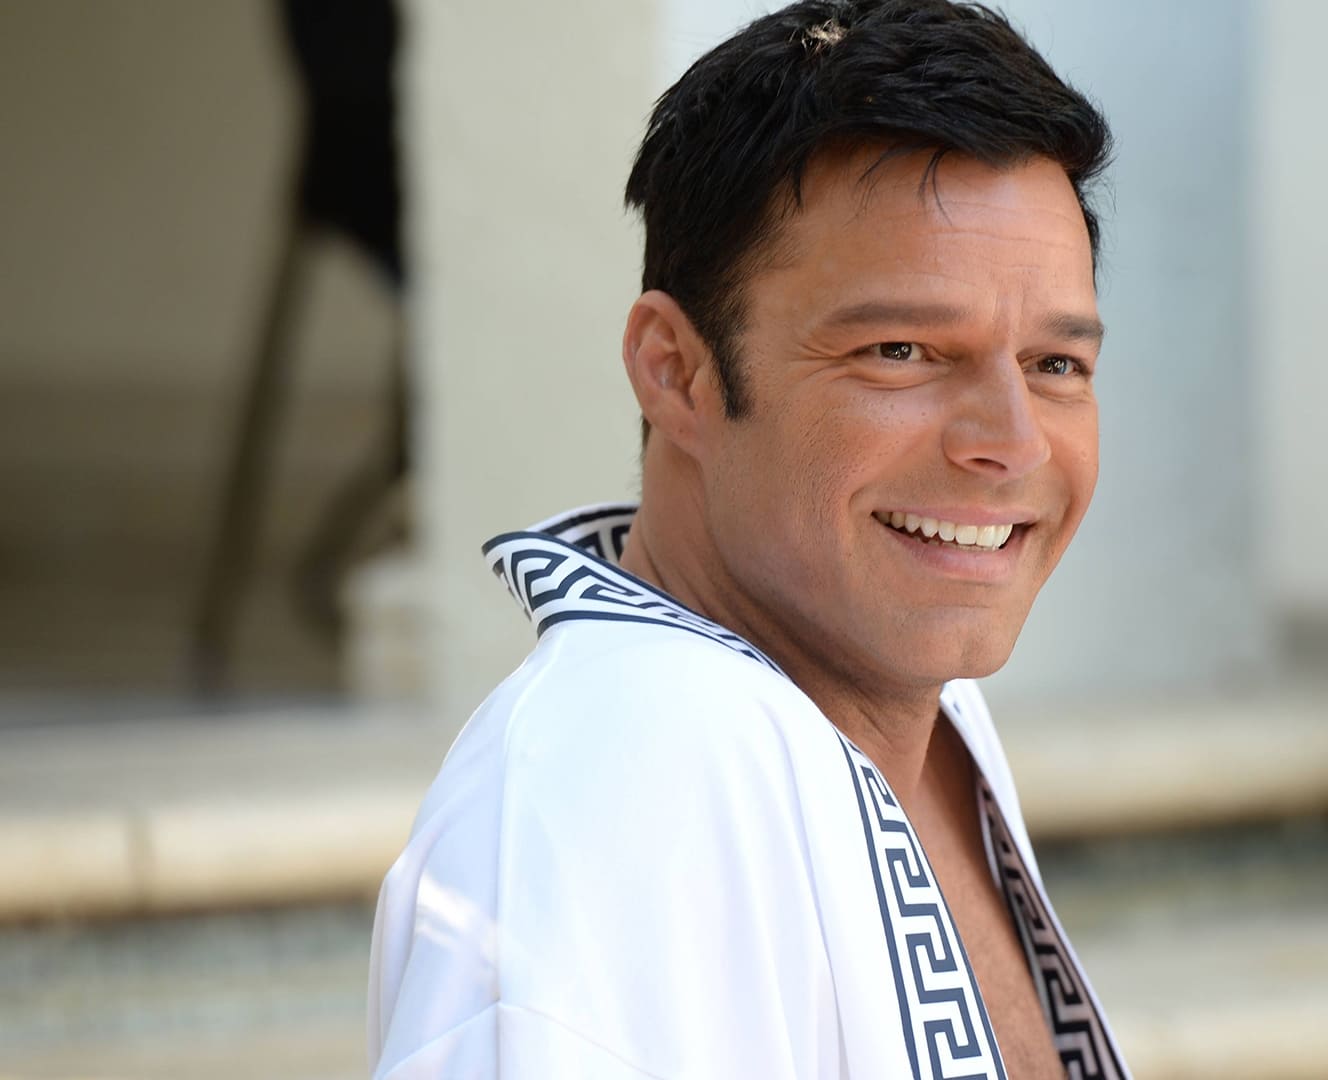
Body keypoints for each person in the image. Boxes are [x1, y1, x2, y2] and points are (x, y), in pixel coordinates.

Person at [366, 1, 1127, 1076]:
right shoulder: (608, 799)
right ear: (676, 371)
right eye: (901, 351)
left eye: (1055, 366)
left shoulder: (900, 694)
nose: (1009, 444)